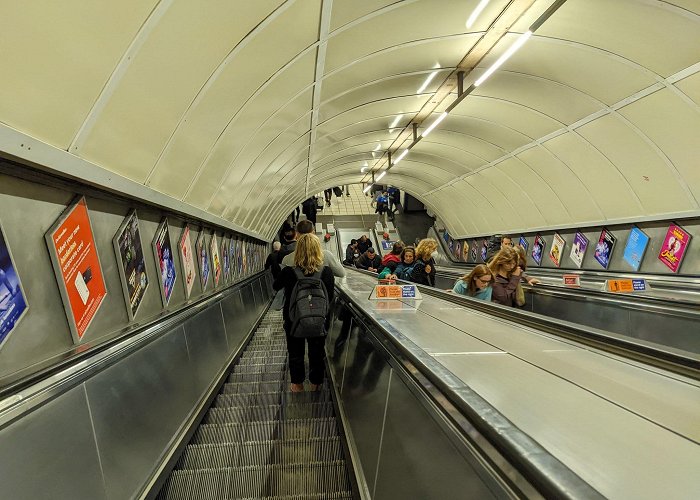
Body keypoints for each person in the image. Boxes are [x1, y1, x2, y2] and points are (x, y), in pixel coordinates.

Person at [273, 234, 335, 392]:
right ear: (318, 250)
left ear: (298, 250)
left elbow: (275, 286)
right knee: (317, 352)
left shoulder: (288, 271)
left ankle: (297, 385)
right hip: (320, 319)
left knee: (295, 352)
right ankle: (316, 385)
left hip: (294, 319)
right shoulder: (326, 272)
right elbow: (330, 295)